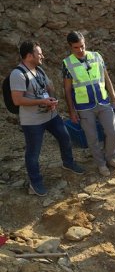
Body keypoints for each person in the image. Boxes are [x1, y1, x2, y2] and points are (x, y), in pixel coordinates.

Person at [11, 41, 84, 196]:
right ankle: (35, 183)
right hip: (32, 121)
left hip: (51, 115)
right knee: (33, 153)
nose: (42, 56)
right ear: (29, 55)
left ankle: (68, 163)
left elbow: (50, 87)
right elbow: (18, 100)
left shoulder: (39, 70)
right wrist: (42, 102)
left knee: (65, 137)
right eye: (39, 53)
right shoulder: (17, 74)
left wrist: (52, 99)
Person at [63, 31, 115, 177]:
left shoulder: (96, 56)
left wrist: (114, 98)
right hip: (84, 107)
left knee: (112, 133)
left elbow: (106, 79)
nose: (80, 50)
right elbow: (67, 89)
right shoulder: (67, 63)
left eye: (82, 46)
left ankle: (110, 158)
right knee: (92, 138)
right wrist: (72, 111)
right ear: (71, 47)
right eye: (76, 47)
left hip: (103, 102)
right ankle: (101, 164)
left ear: (85, 43)